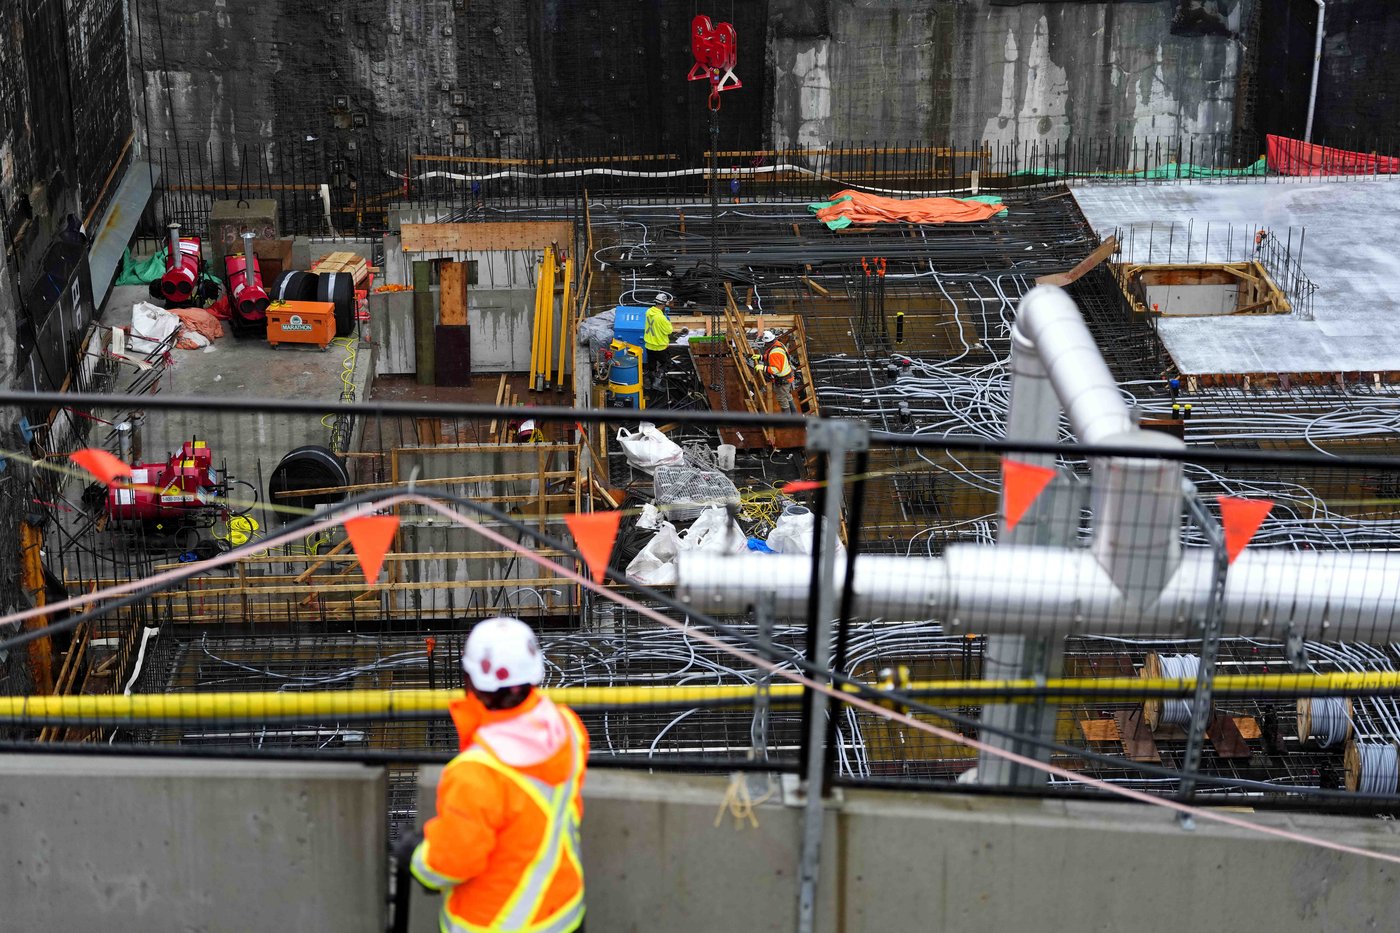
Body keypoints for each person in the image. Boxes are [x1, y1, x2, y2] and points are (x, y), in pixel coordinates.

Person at [412, 617, 590, 933]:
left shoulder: (476, 772)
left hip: (495, 922)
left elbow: (453, 862)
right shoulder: (566, 726)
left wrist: (418, 858)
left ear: (470, 681)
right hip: (563, 911)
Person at [642, 292, 687, 390]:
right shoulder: (661, 318)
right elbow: (669, 330)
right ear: (663, 304)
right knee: (666, 364)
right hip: (659, 347)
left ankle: (649, 383)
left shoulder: (649, 312)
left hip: (649, 345)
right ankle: (657, 383)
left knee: (651, 365)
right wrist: (666, 321)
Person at [753, 329, 799, 414]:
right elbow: (774, 357)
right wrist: (761, 357)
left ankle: (787, 420)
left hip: (783, 379)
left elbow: (776, 369)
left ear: (766, 342)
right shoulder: (778, 345)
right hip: (787, 376)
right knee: (787, 396)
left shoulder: (774, 352)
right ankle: (795, 415)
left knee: (782, 399)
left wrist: (763, 368)